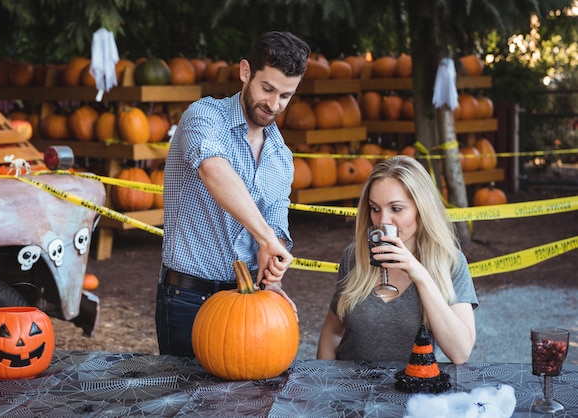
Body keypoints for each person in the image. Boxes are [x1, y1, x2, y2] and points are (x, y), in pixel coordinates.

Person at [156, 31, 311, 357]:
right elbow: (213, 170)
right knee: (185, 404)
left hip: (249, 305)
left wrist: (274, 276)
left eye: (286, 95)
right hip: (187, 298)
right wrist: (266, 236)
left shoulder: (282, 157)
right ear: (245, 72)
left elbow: (275, 230)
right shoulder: (203, 116)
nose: (273, 104)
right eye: (267, 89)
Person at [317, 155, 478, 364]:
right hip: (351, 389)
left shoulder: (450, 263)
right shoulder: (355, 256)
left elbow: (460, 352)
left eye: (396, 209)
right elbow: (333, 332)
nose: (382, 221)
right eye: (375, 209)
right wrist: (325, 384)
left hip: (414, 388)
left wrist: (420, 276)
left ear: (421, 209)